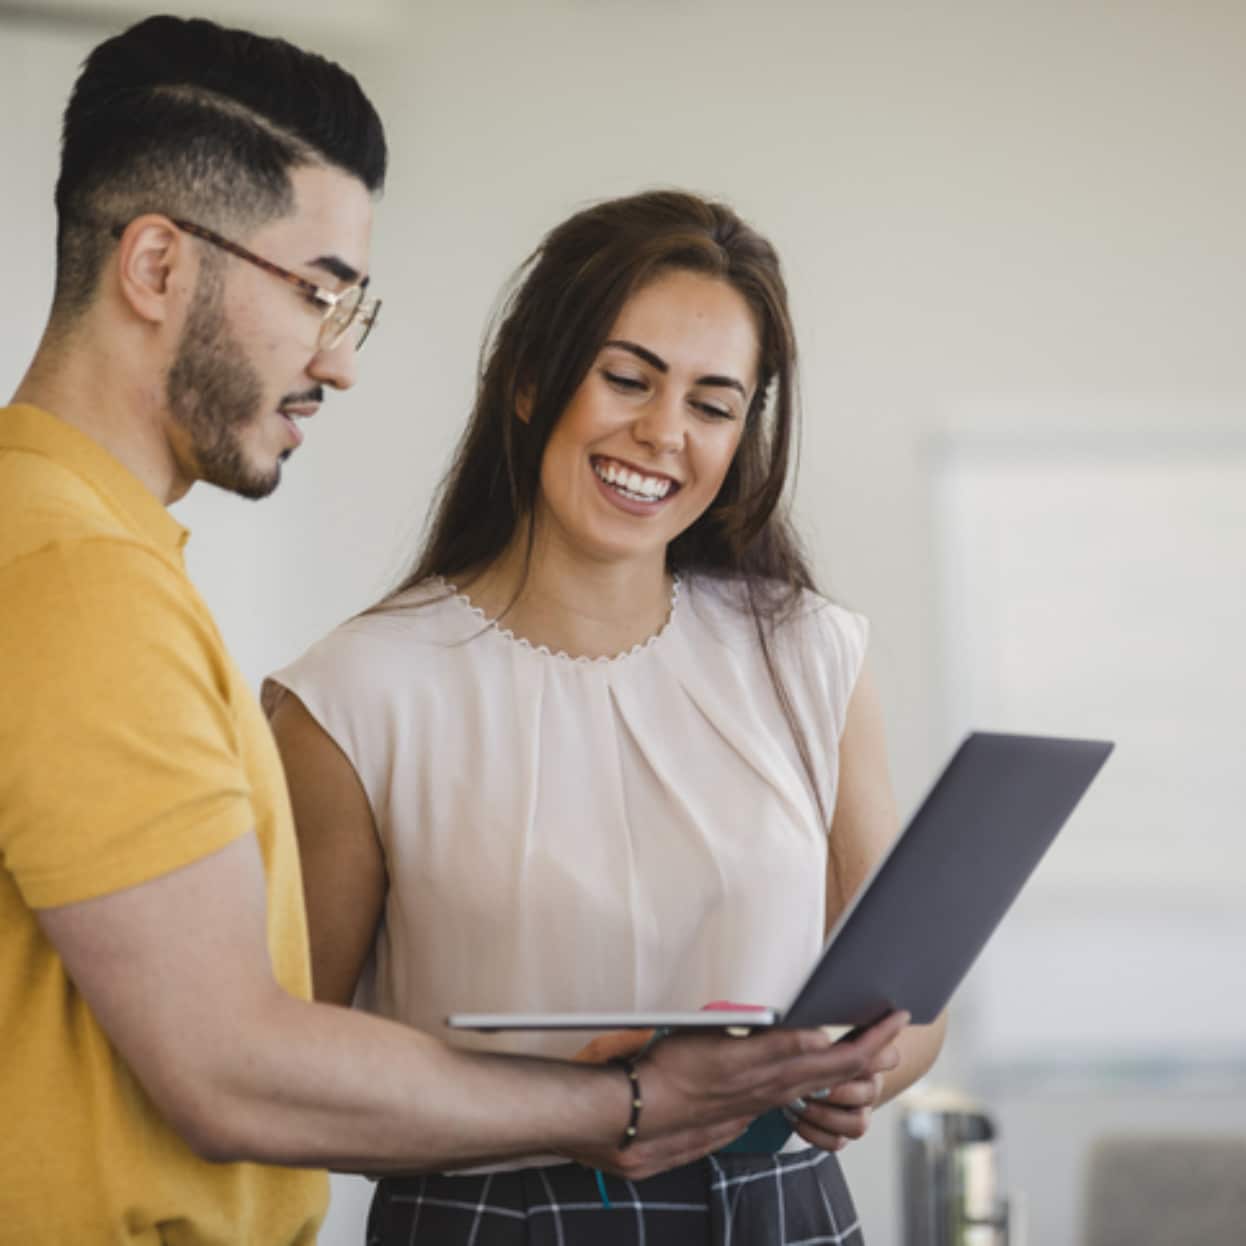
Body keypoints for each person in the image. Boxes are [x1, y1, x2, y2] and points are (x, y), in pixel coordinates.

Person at [0, 19, 911, 1246]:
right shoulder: (78, 576)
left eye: (713, 402)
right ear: (156, 267)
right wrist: (624, 1101)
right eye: (319, 290)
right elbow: (236, 1063)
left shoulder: (98, 560)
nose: (340, 357)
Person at [266, 190, 946, 1244]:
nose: (662, 433)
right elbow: (282, 1072)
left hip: (784, 1207)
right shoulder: (355, 694)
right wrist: (586, 1107)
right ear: (531, 379)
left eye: (713, 406)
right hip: (492, 1213)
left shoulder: (811, 652)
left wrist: (855, 1075)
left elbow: (916, 1003)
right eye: (626, 379)